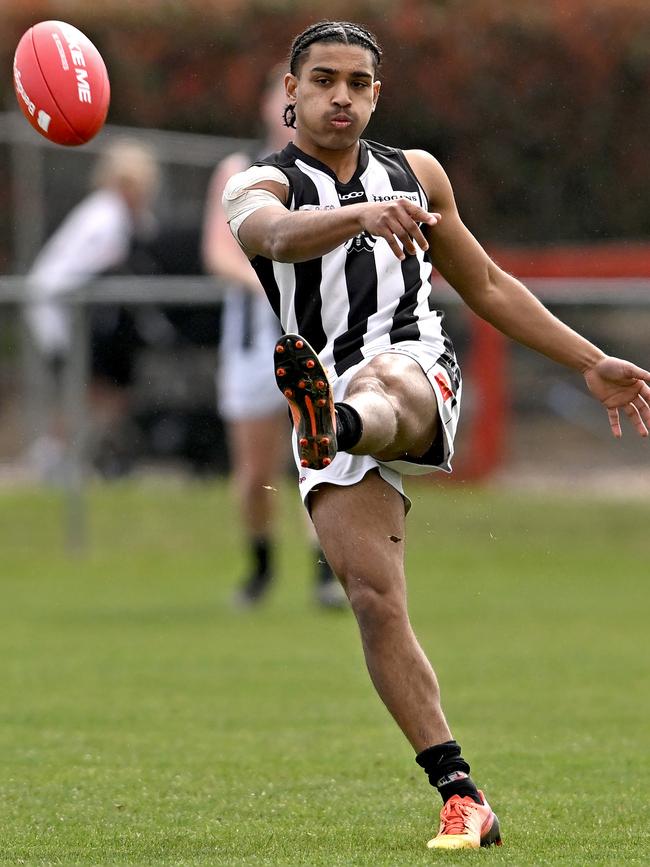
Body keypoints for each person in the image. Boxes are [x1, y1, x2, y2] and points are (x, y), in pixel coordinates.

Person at [222, 20, 650, 850]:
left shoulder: (416, 175)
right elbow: (270, 238)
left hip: (414, 368)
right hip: (322, 384)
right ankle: (462, 792)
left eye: (358, 82)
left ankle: (336, 423)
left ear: (377, 94)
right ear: (291, 92)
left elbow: (485, 282)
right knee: (376, 603)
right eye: (323, 80)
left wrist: (590, 360)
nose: (340, 96)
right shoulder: (258, 186)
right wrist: (356, 218)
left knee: (382, 385)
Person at [202, 67, 346, 608]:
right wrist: (273, 279)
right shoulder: (238, 171)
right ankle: (260, 564)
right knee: (256, 471)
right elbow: (219, 253)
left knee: (323, 452)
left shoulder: (329, 176)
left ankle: (326, 572)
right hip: (252, 344)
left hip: (320, 339)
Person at [25, 138, 161, 480]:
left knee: (99, 390)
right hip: (59, 312)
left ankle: (73, 458)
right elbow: (85, 273)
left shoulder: (115, 214)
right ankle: (52, 458)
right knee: (84, 391)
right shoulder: (106, 218)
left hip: (74, 312)